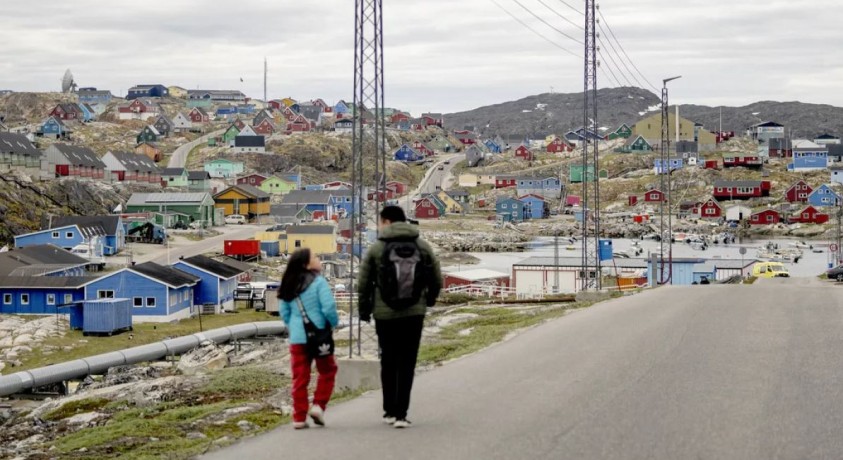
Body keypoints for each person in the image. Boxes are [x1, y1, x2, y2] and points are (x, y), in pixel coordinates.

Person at [358, 205, 442, 429]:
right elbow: (436, 278)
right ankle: (402, 414)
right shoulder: (421, 246)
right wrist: (429, 300)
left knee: (389, 360)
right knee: (407, 362)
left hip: (385, 314)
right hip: (414, 312)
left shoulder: (377, 248)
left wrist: (364, 310)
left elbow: (363, 283)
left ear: (386, 222)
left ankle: (389, 411)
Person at [278, 248, 339, 429]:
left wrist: (296, 327)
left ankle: (299, 417)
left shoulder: (288, 283)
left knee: (300, 377)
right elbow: (328, 308)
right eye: (315, 257)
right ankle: (318, 405)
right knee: (327, 371)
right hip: (319, 336)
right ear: (307, 264)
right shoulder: (319, 282)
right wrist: (332, 324)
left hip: (298, 338)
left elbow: (284, 313)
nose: (319, 258)